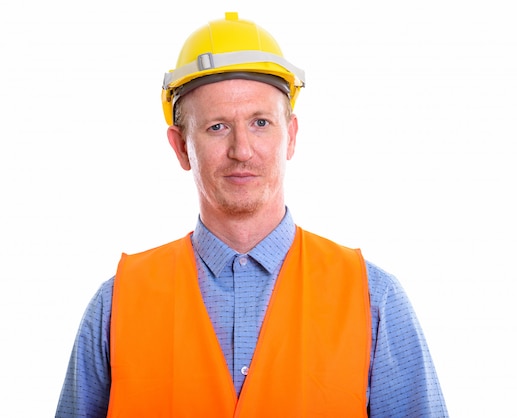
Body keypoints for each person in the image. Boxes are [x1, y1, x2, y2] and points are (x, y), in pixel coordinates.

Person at [55, 12, 449, 418]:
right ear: (180, 147)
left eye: (260, 123)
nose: (242, 149)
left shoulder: (373, 299)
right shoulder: (117, 305)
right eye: (217, 127)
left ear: (291, 136)